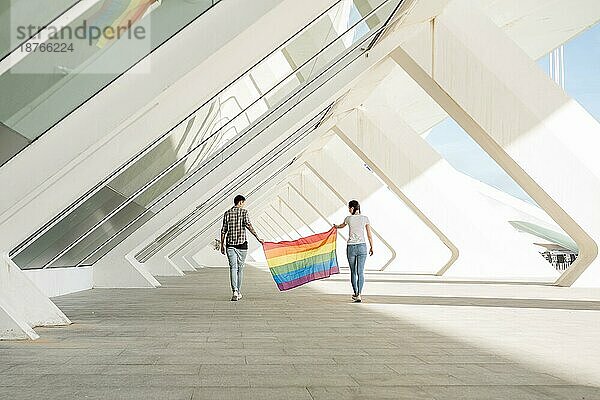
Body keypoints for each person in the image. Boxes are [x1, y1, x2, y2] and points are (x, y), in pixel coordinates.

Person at [220, 195, 263, 301]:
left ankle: (234, 291)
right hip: (242, 245)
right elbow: (249, 226)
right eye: (243, 202)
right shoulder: (244, 212)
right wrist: (258, 238)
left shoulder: (227, 213)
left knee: (233, 268)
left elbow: (223, 230)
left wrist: (222, 245)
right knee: (240, 269)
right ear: (240, 202)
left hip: (230, 244)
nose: (243, 204)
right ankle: (238, 292)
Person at [333, 200, 373, 303]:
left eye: (349, 208)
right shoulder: (365, 218)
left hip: (351, 247)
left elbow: (342, 225)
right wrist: (372, 247)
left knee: (353, 272)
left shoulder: (348, 218)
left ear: (352, 208)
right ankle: (359, 294)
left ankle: (355, 293)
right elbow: (369, 235)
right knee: (360, 271)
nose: (349, 210)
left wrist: (336, 227)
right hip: (362, 247)